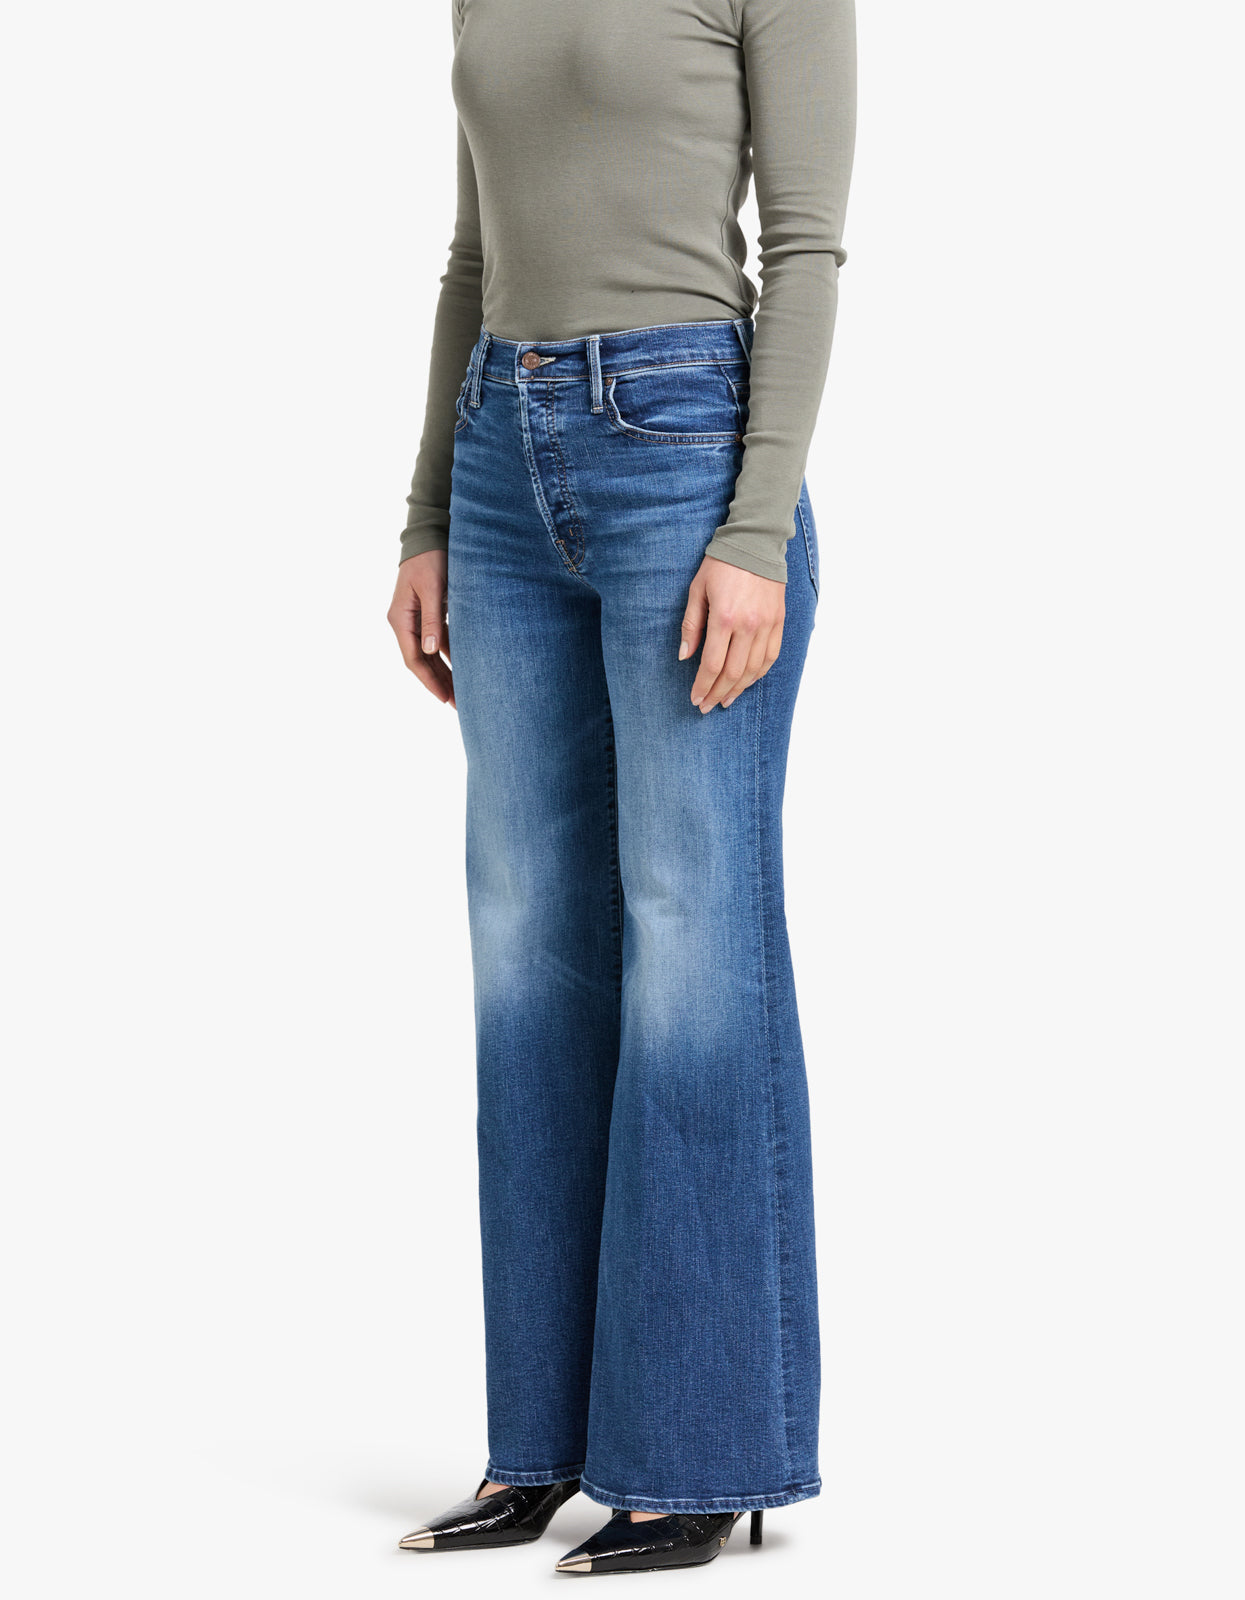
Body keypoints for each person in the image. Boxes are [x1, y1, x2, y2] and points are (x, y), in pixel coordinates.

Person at [386, 0, 856, 1577]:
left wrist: (755, 530)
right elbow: (473, 257)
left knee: (691, 946)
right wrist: (425, 518)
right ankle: (546, 1444)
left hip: (685, 451)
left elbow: (804, 248)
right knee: (527, 950)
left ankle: (701, 1454)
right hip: (498, 460)